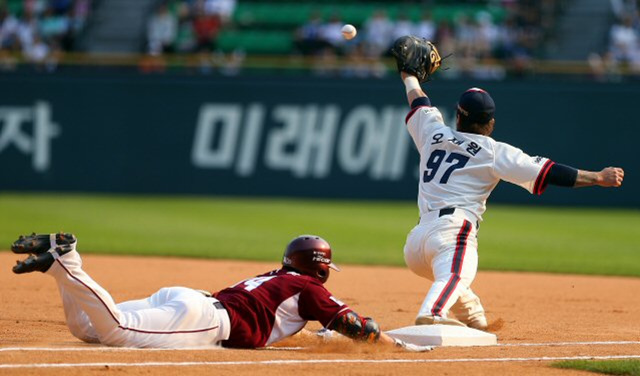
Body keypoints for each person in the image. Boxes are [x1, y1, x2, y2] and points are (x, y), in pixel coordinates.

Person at [398, 64, 625, 330]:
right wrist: (598, 177)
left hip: (416, 245)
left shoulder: (434, 132)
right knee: (457, 274)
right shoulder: (493, 151)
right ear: (490, 123)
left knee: (451, 278)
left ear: (458, 116)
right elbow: (550, 172)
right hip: (452, 233)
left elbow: (419, 101)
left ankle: (474, 318)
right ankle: (433, 312)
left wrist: (408, 75)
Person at [11, 233, 430, 351]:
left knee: (87, 329)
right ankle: (68, 261)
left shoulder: (277, 279)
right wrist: (395, 345)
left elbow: (287, 320)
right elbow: (355, 325)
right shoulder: (308, 289)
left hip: (186, 299)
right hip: (206, 321)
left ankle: (60, 270)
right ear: (320, 268)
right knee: (116, 331)